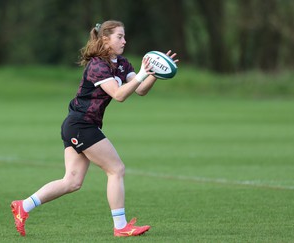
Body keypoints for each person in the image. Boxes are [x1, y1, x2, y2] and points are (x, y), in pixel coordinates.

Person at [10, 20, 178, 237]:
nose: (124, 41)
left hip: (78, 126)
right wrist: (144, 73)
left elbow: (140, 90)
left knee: (71, 182)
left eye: (124, 36)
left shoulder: (122, 63)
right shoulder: (98, 65)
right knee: (116, 169)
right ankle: (120, 227)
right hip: (81, 125)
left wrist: (154, 73)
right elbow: (119, 95)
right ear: (105, 39)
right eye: (120, 36)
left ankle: (23, 206)